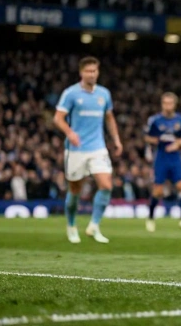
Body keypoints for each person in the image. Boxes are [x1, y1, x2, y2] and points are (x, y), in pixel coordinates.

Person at [54, 56, 122, 244]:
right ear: (81, 73)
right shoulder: (71, 93)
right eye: (88, 71)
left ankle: (94, 225)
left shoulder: (104, 94)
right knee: (75, 190)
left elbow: (109, 118)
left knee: (106, 185)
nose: (92, 74)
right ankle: (71, 226)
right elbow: (58, 118)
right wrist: (70, 133)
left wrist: (116, 140)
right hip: (76, 149)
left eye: (94, 71)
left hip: (97, 147)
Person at [144, 92, 181, 232]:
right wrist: (158, 140)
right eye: (165, 103)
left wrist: (179, 143)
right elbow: (147, 137)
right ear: (162, 104)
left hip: (175, 157)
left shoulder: (180, 120)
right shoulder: (155, 120)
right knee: (158, 190)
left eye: (170, 103)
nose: (167, 106)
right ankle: (151, 218)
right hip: (161, 157)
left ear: (175, 105)